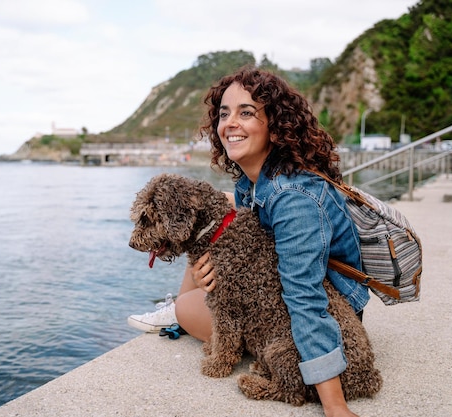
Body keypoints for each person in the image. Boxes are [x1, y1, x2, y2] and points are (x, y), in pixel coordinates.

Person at [128, 66, 369, 417]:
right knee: (210, 227)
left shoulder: (295, 198)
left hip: (325, 314)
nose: (230, 124)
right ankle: (190, 307)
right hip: (271, 293)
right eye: (224, 114)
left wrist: (334, 405)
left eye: (246, 113)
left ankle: (186, 315)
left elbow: (305, 296)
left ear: (276, 124)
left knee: (187, 308)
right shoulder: (252, 181)